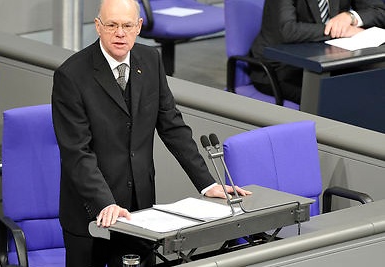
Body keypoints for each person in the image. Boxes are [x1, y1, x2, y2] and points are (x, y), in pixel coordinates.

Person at [51, 0, 252, 265]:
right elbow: (77, 153)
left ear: (139, 27)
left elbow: (172, 126)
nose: (120, 33)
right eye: (112, 25)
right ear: (98, 27)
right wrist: (105, 203)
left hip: (141, 211)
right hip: (92, 214)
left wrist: (208, 184)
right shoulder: (71, 76)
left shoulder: (150, 60)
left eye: (127, 25)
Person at [249, 0, 385, 104]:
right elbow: (287, 30)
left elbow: (379, 11)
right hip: (281, 67)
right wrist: (338, 31)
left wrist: (351, 16)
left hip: (328, 59)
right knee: (337, 98)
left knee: (373, 86)